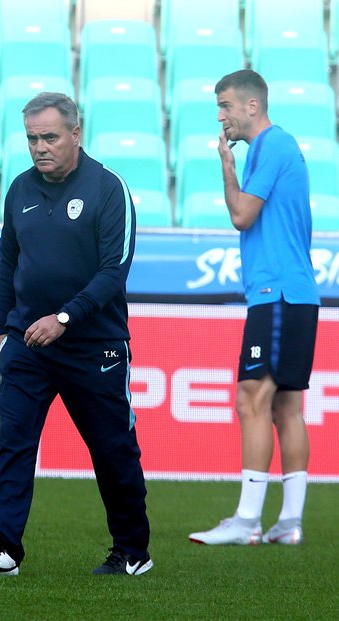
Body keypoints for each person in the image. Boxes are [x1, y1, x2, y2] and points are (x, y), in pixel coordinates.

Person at [0, 92, 151, 576]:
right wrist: (2, 329)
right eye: (31, 138)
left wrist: (64, 318)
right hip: (27, 345)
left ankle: (132, 551)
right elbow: (8, 261)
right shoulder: (20, 189)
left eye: (49, 136)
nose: (39, 147)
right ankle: (4, 548)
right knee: (14, 444)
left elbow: (114, 272)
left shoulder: (109, 189)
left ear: (75, 135)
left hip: (95, 347)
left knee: (112, 450)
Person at [189, 69, 319, 546]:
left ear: (251, 106)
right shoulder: (281, 146)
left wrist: (226, 165)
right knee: (287, 405)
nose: (220, 116)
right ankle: (290, 522)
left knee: (252, 397)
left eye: (224, 106)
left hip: (278, 293)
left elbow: (242, 215)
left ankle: (247, 520)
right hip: (295, 292)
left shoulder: (270, 146)